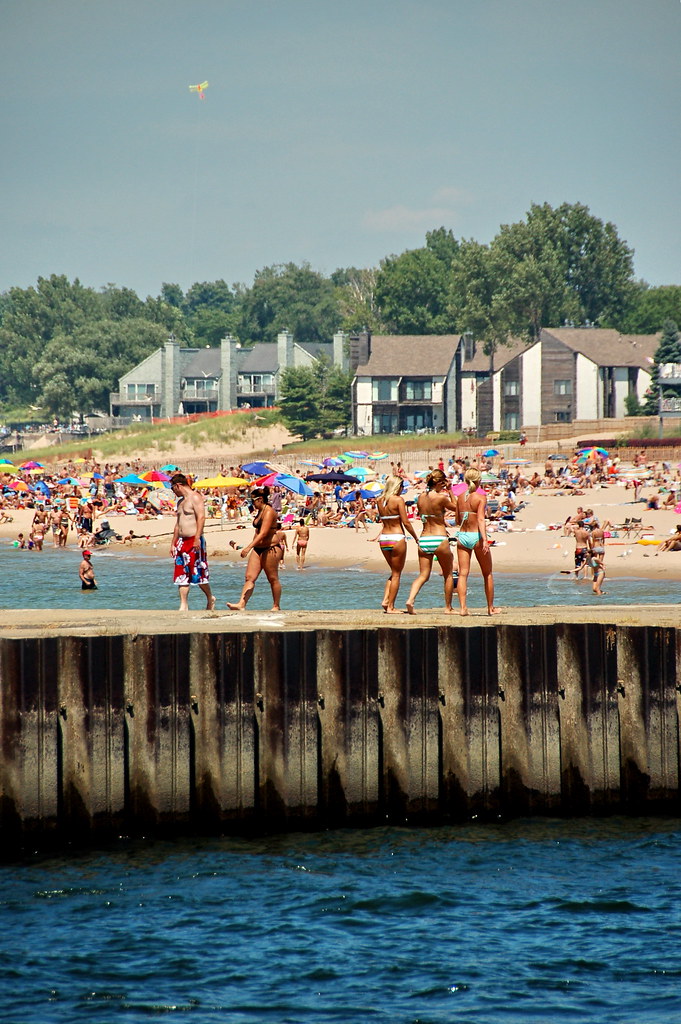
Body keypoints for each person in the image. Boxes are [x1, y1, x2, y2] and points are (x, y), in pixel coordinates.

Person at [406, 469, 457, 614]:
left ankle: (410, 600)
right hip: (439, 537)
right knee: (448, 574)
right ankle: (448, 608)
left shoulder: (420, 497)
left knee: (423, 575)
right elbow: (458, 507)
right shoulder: (441, 497)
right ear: (440, 482)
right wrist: (451, 491)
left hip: (424, 538)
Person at [227, 486, 282, 611]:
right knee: (249, 577)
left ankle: (276, 605)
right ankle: (241, 604)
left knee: (272, 578)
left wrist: (247, 548)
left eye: (253, 501)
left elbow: (263, 533)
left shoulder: (269, 511)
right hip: (258, 549)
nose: (252, 503)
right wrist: (252, 547)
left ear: (260, 499)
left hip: (271, 548)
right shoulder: (259, 511)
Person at [454, 467, 500, 616]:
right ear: (478, 480)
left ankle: (463, 608)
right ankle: (490, 608)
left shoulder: (460, 497)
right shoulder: (480, 497)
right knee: (487, 573)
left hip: (462, 536)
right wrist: (485, 539)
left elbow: (457, 520)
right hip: (476, 536)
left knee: (462, 574)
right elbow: (481, 519)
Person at [170, 473, 215, 612]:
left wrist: (197, 538)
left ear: (178, 485)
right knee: (181, 574)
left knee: (198, 572)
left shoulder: (195, 497)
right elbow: (178, 524)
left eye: (173, 489)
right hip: (181, 541)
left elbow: (201, 517)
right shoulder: (180, 502)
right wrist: (173, 542)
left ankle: (210, 597)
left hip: (193, 540)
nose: (173, 492)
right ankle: (183, 605)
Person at [375, 475, 419, 613]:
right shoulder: (398, 500)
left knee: (393, 572)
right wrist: (416, 537)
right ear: (397, 486)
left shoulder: (380, 500)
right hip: (397, 537)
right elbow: (406, 522)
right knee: (396, 574)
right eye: (402, 486)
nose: (403, 489)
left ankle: (385, 600)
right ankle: (391, 607)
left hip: (384, 538)